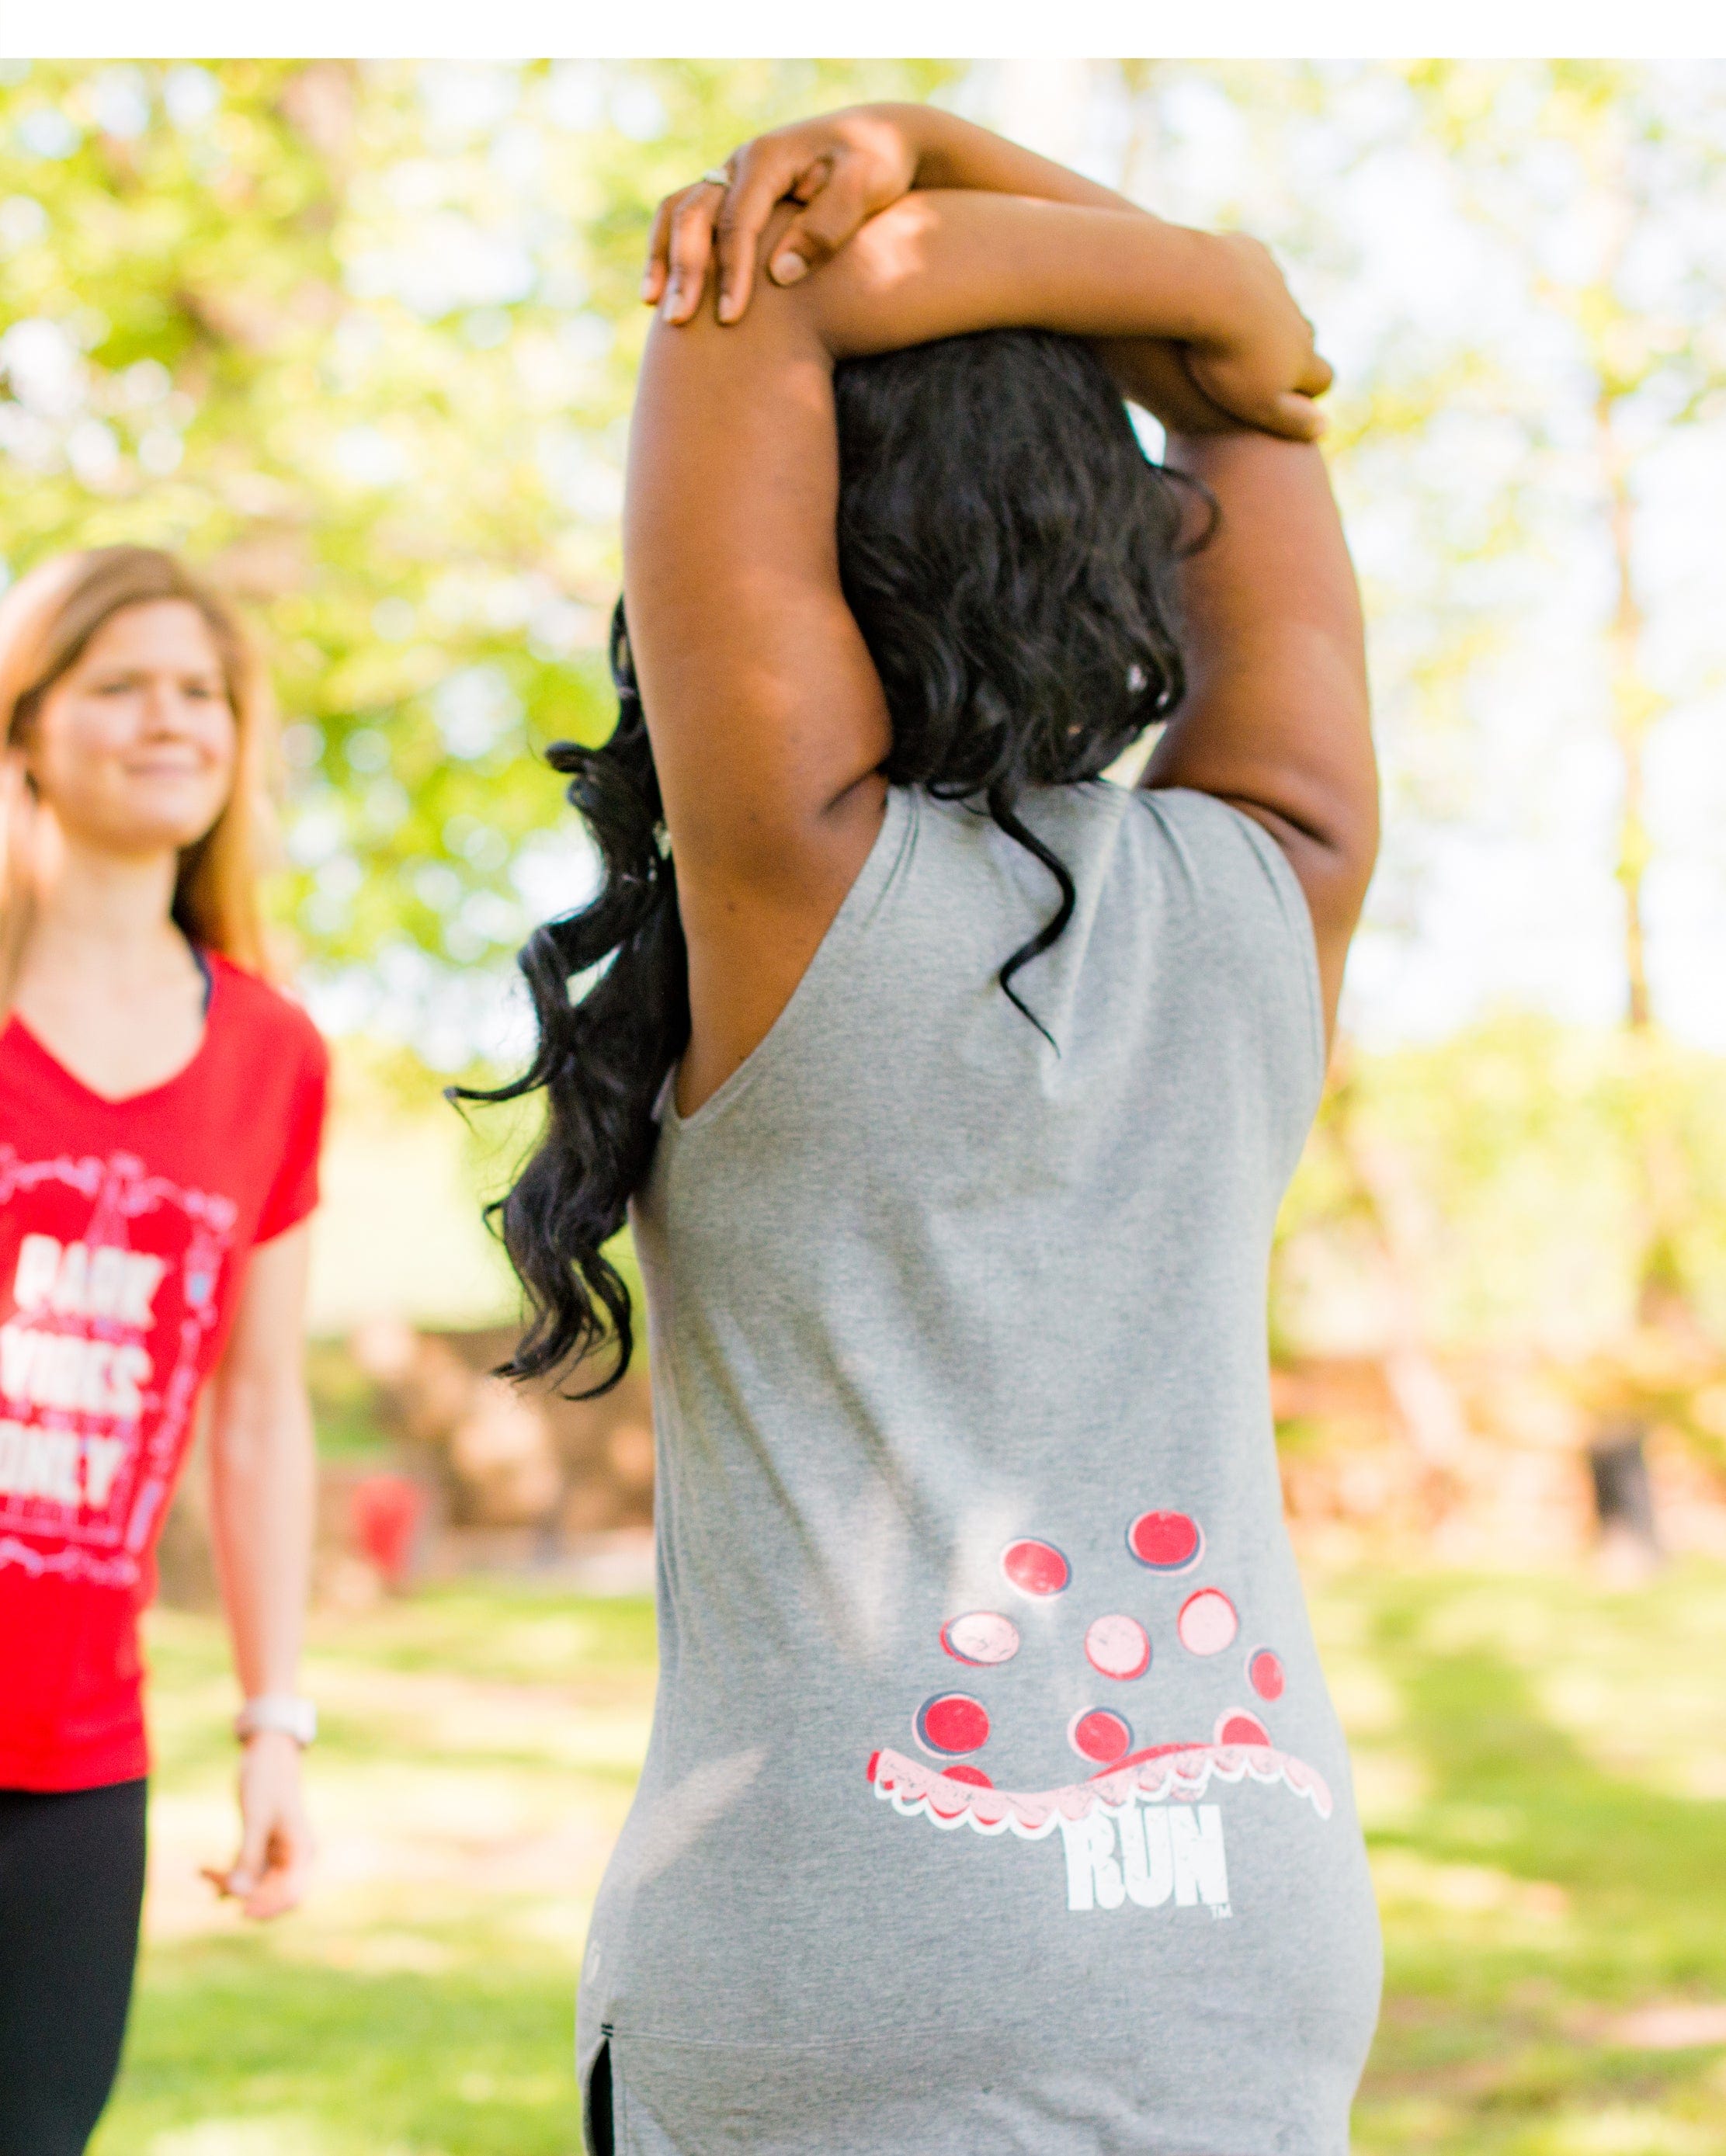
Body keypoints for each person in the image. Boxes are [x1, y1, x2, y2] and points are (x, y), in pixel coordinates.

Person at [482, 103, 1381, 2154]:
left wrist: (867, 205)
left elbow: (752, 299)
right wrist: (1203, 276)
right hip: (1250, 1940)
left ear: (841, 542)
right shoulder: (1281, 873)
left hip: (840, 1970)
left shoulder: (793, 882)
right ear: (1123, 534)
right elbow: (1273, 380)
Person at [0, 547, 328, 2155]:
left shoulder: (274, 1055)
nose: (170, 719)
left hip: (75, 1743)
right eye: (119, 683)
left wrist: (274, 1723)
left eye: (201, 691)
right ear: (28, 728)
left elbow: (257, 1415)